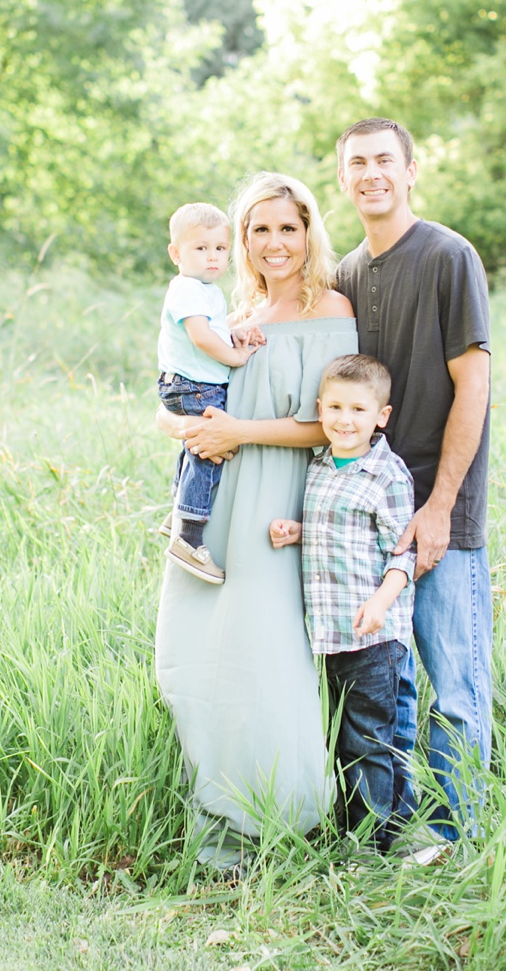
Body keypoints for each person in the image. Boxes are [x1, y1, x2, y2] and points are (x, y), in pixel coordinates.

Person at [154, 172, 356, 872]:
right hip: (220, 500)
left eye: (287, 228)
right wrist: (180, 422)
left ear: (309, 233)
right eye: (259, 230)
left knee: (271, 656)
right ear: (241, 241)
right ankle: (219, 806)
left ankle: (286, 813)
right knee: (209, 648)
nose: (275, 243)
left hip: (282, 503)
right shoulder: (235, 313)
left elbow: (327, 426)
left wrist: (237, 429)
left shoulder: (332, 308)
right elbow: (181, 397)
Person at [334, 117, 492, 841]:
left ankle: (461, 840)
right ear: (343, 179)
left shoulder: (447, 255)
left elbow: (474, 383)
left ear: (409, 169)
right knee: (385, 688)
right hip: (368, 516)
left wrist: (438, 507)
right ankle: (392, 832)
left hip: (438, 508)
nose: (370, 173)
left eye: (383, 160)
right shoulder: (343, 273)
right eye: (356, 162)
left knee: (454, 687)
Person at [269, 353, 415, 850]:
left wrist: (380, 602)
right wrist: (298, 532)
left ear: (381, 416)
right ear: (319, 408)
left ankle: (370, 845)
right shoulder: (320, 467)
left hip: (373, 635)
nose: (344, 420)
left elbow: (403, 555)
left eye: (357, 409)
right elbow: (338, 533)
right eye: (335, 407)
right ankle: (359, 828)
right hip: (328, 635)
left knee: (368, 740)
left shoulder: (388, 476)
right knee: (339, 738)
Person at [157, 202, 258, 584]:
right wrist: (236, 355)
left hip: (188, 384)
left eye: (220, 248)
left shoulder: (204, 290)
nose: (213, 257)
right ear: (176, 253)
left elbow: (213, 327)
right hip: (194, 386)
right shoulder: (186, 288)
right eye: (201, 248)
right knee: (208, 452)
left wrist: (236, 327)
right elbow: (201, 337)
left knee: (193, 446)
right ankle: (190, 534)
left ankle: (178, 511)